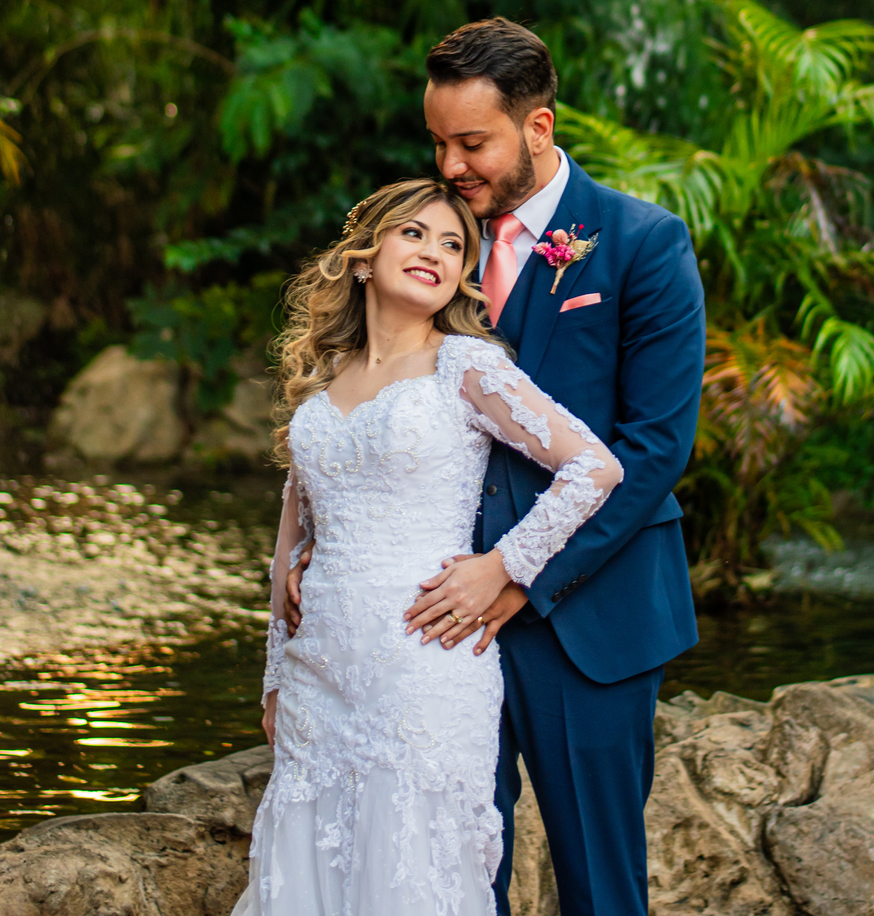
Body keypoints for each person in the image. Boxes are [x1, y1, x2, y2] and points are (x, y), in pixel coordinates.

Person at [283, 18, 707, 916]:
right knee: (452, 879)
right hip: (430, 637)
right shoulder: (441, 250)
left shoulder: (643, 244)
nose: (451, 166)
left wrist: (516, 573)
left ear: (538, 129)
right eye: (438, 143)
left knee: (599, 884)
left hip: (588, 614)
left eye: (472, 143)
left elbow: (656, 445)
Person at [235, 176, 624, 916]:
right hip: (320, 677)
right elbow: (292, 545)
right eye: (414, 233)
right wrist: (275, 681)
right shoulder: (320, 387)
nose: (436, 253)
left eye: (454, 244)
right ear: (362, 257)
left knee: (414, 873)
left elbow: (593, 467)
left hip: (423, 664)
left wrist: (503, 565)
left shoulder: (466, 367)